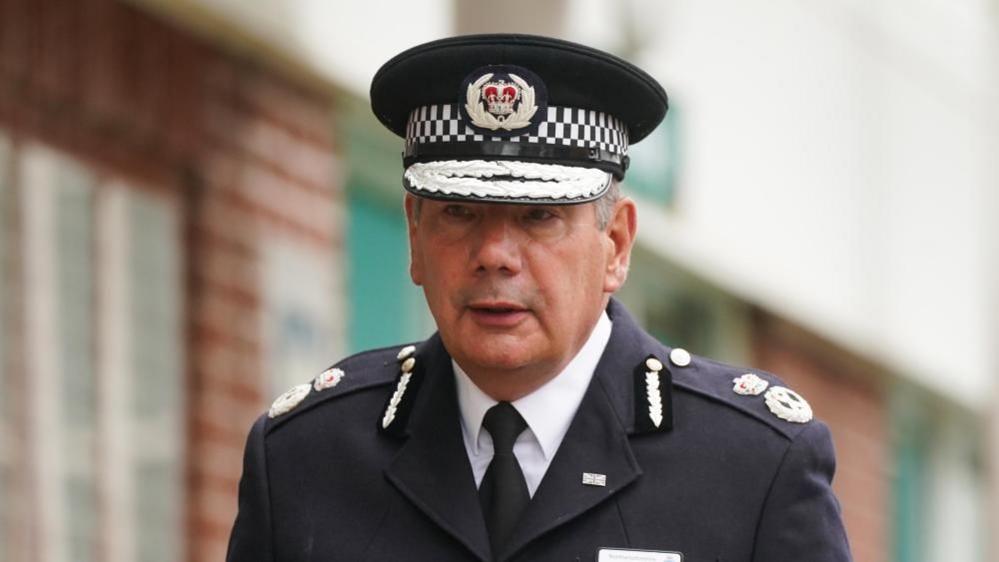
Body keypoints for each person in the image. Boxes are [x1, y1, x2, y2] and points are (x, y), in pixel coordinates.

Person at [227, 34, 853, 562]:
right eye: (460, 211)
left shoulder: (751, 466)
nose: (495, 254)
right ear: (414, 236)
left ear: (615, 244)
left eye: (538, 216)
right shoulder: (306, 459)